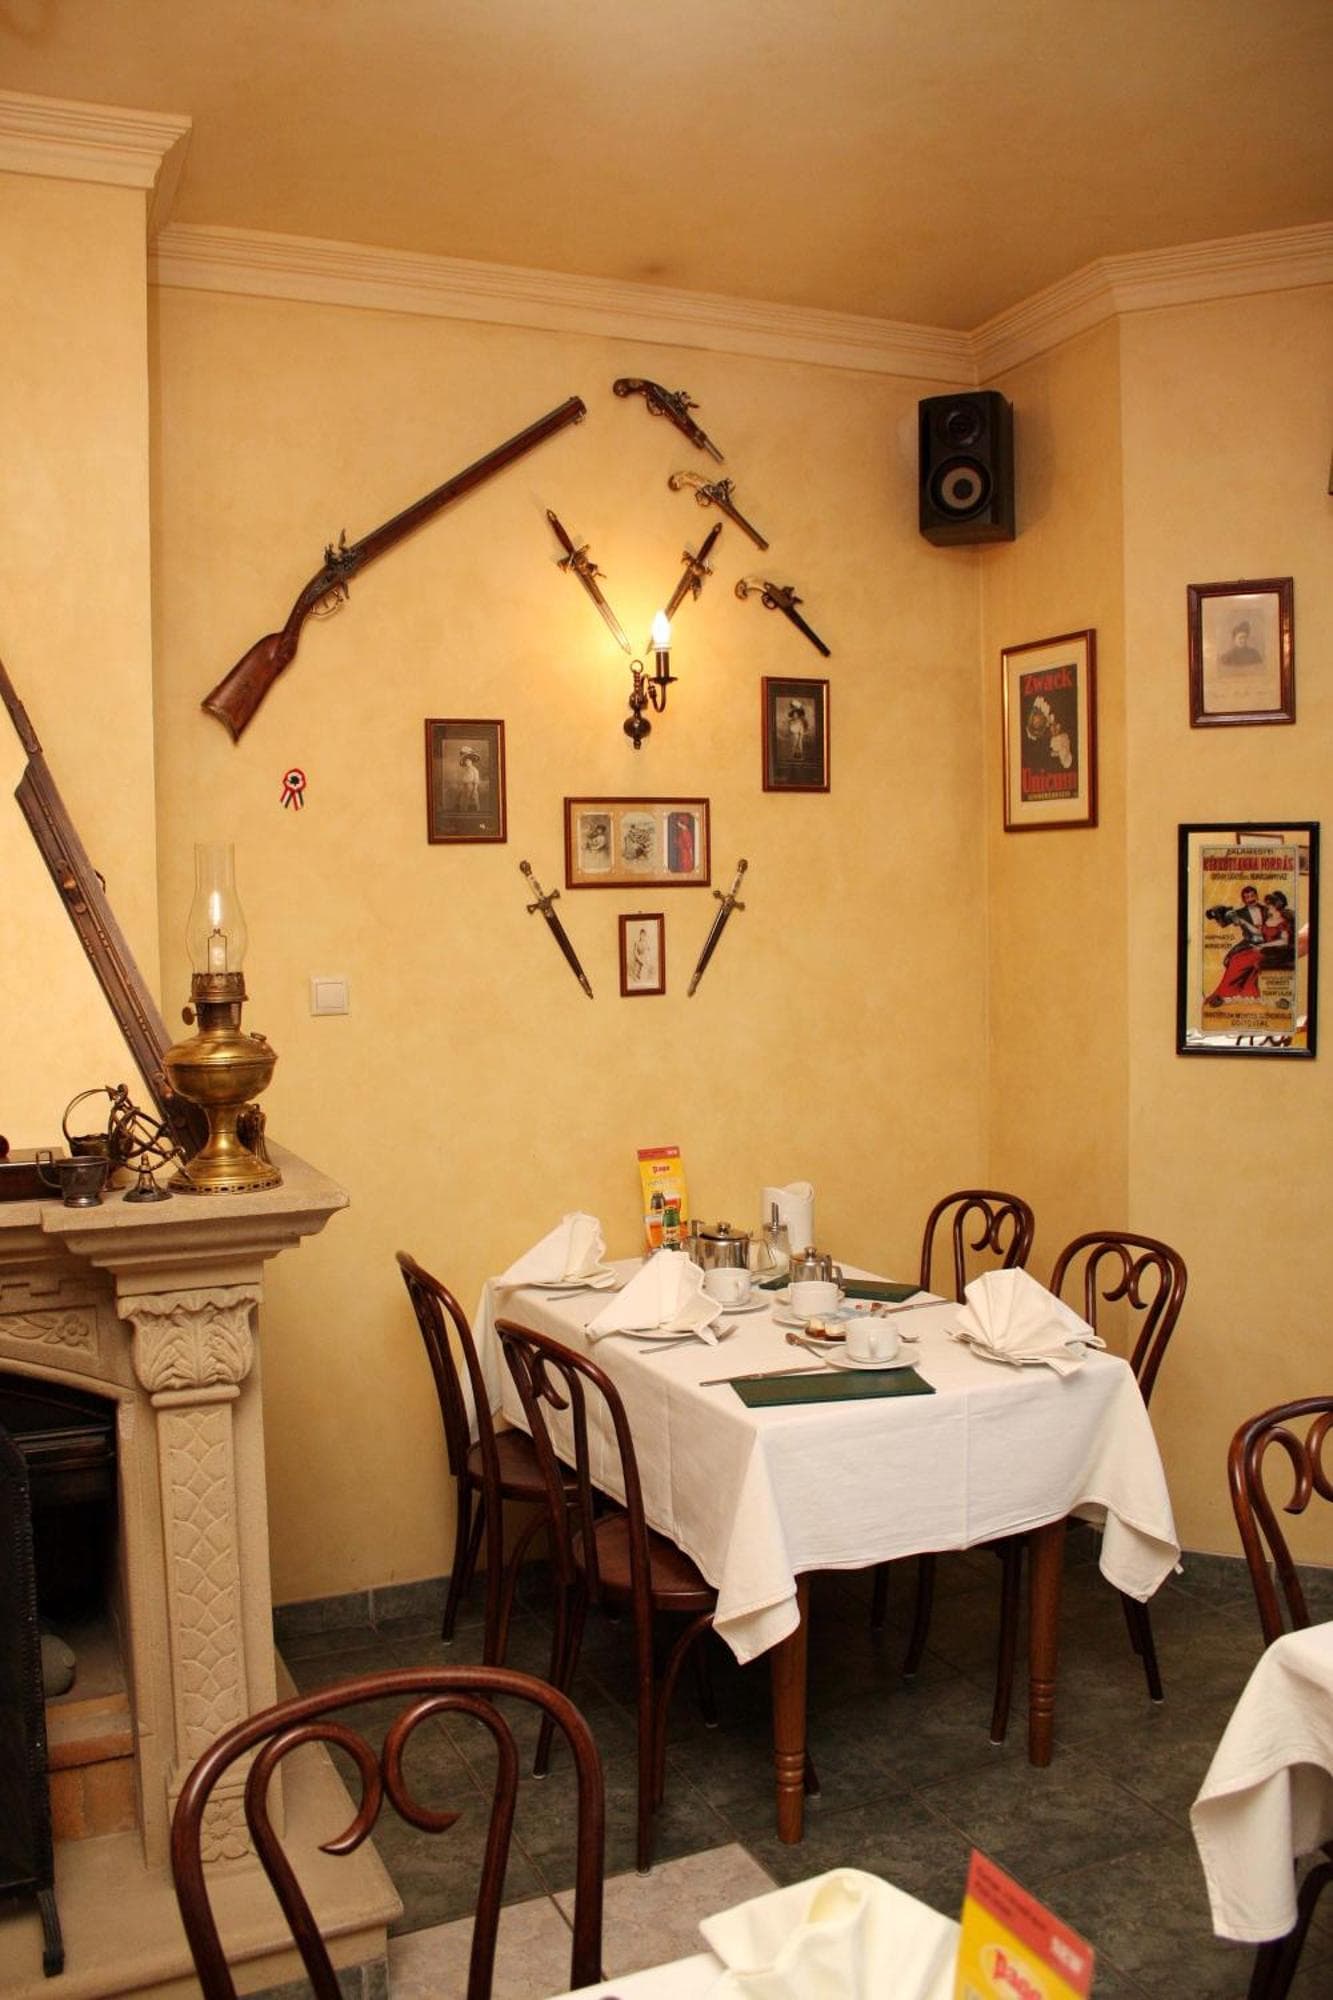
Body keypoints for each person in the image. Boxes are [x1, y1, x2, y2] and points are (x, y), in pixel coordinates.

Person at [1203, 884, 1266, 1004]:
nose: (1250, 899)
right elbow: (1223, 923)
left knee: (1239, 961)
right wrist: (1216, 913)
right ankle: (1235, 993)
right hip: (1248, 943)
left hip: (1267, 943)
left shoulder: (1266, 910)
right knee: (1231, 959)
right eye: (1247, 897)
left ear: (1257, 896)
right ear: (1244, 900)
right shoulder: (1240, 912)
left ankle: (1226, 993)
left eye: (1252, 896)